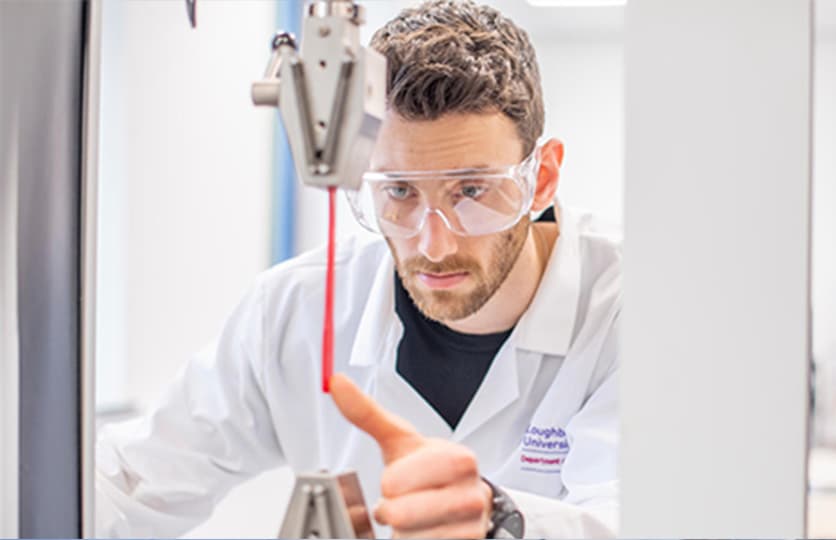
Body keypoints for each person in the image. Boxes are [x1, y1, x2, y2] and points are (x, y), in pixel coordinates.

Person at [96, 1, 620, 537]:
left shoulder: (626, 306)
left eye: (471, 190)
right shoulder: (298, 307)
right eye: (399, 191)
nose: (433, 243)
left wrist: (498, 519)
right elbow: (134, 485)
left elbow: (642, 515)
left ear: (544, 177)